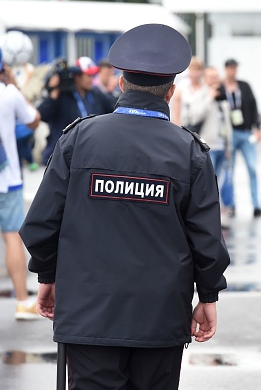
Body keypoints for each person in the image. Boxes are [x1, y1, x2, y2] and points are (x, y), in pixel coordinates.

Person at [19, 24, 230, 389]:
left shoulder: (78, 140)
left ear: (120, 85)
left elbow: (41, 224)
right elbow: (207, 239)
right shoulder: (189, 152)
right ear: (171, 92)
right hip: (160, 318)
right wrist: (208, 294)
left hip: (88, 315)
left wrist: (47, 276)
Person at [0, 49, 41, 320]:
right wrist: (14, 86)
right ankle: (23, 302)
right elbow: (33, 119)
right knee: (12, 236)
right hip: (7, 178)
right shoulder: (8, 93)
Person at [38, 56, 114, 164]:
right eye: (88, 75)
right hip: (63, 158)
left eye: (93, 75)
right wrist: (53, 93)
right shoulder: (63, 96)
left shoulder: (95, 93)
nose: (92, 79)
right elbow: (41, 115)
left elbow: (113, 106)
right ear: (77, 77)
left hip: (91, 155)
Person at [221, 58, 261, 218]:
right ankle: (231, 204)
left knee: (252, 168)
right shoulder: (220, 87)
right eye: (230, 68)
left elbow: (253, 106)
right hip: (229, 134)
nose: (233, 71)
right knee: (230, 169)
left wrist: (257, 127)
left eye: (235, 68)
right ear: (226, 69)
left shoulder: (244, 86)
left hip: (246, 132)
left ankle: (256, 205)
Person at [202, 65, 233, 177]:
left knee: (218, 182)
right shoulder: (201, 95)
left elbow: (227, 124)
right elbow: (195, 116)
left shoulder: (223, 98)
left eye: (216, 77)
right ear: (205, 79)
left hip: (222, 147)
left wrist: (229, 146)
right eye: (211, 77)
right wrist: (209, 98)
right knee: (209, 182)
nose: (215, 79)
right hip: (208, 147)